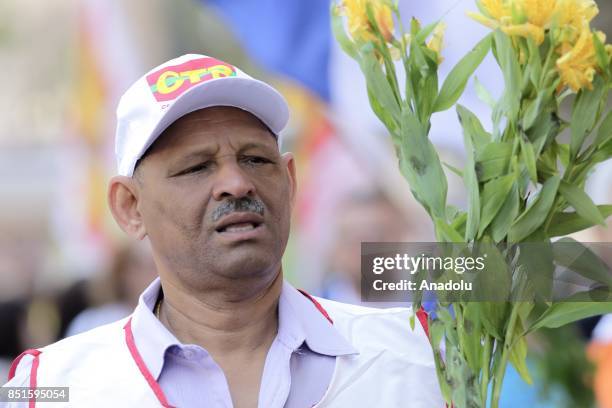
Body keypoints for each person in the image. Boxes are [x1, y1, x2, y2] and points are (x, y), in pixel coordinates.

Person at [3, 54, 442, 407]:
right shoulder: (45, 387)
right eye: (196, 167)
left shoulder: (421, 354)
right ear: (129, 206)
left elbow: (503, 278)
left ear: (289, 182)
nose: (236, 183)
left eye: (255, 159)